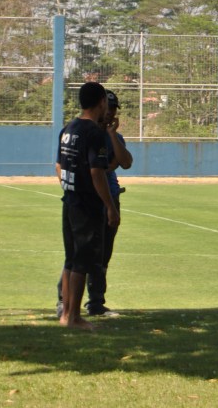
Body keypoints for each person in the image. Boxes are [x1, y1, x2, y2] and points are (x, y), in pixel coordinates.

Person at [55, 81, 119, 330]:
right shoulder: (94, 133)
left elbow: (59, 166)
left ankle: (66, 314)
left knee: (71, 260)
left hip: (70, 201)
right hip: (87, 205)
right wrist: (110, 206)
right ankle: (74, 318)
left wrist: (69, 187)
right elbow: (97, 173)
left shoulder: (68, 129)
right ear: (101, 102)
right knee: (82, 263)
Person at [85, 89, 133, 317]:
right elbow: (101, 168)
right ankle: (64, 299)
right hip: (90, 198)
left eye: (114, 109)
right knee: (82, 253)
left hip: (111, 196)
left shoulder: (115, 137)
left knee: (104, 254)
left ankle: (96, 302)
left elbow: (125, 162)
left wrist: (112, 134)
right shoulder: (86, 133)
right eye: (108, 108)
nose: (110, 113)